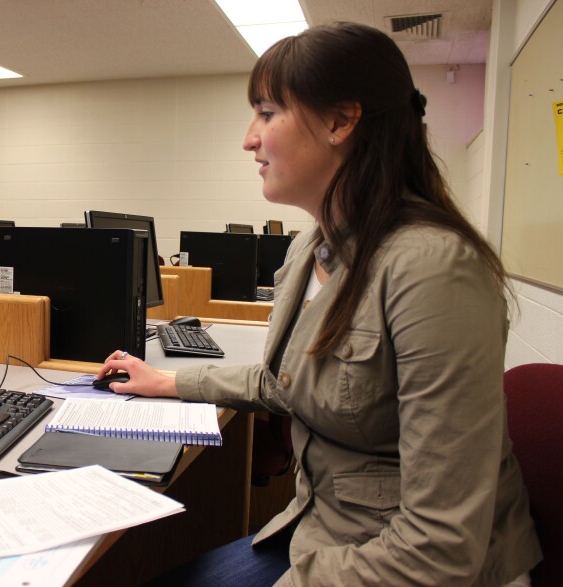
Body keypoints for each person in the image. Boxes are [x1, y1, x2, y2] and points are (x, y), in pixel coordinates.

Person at [96, 22, 542, 587]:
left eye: (266, 111)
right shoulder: (311, 247)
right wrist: (166, 382)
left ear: (340, 121)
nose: (248, 138)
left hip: (402, 564)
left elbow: (442, 548)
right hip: (322, 530)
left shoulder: (433, 269)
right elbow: (287, 381)